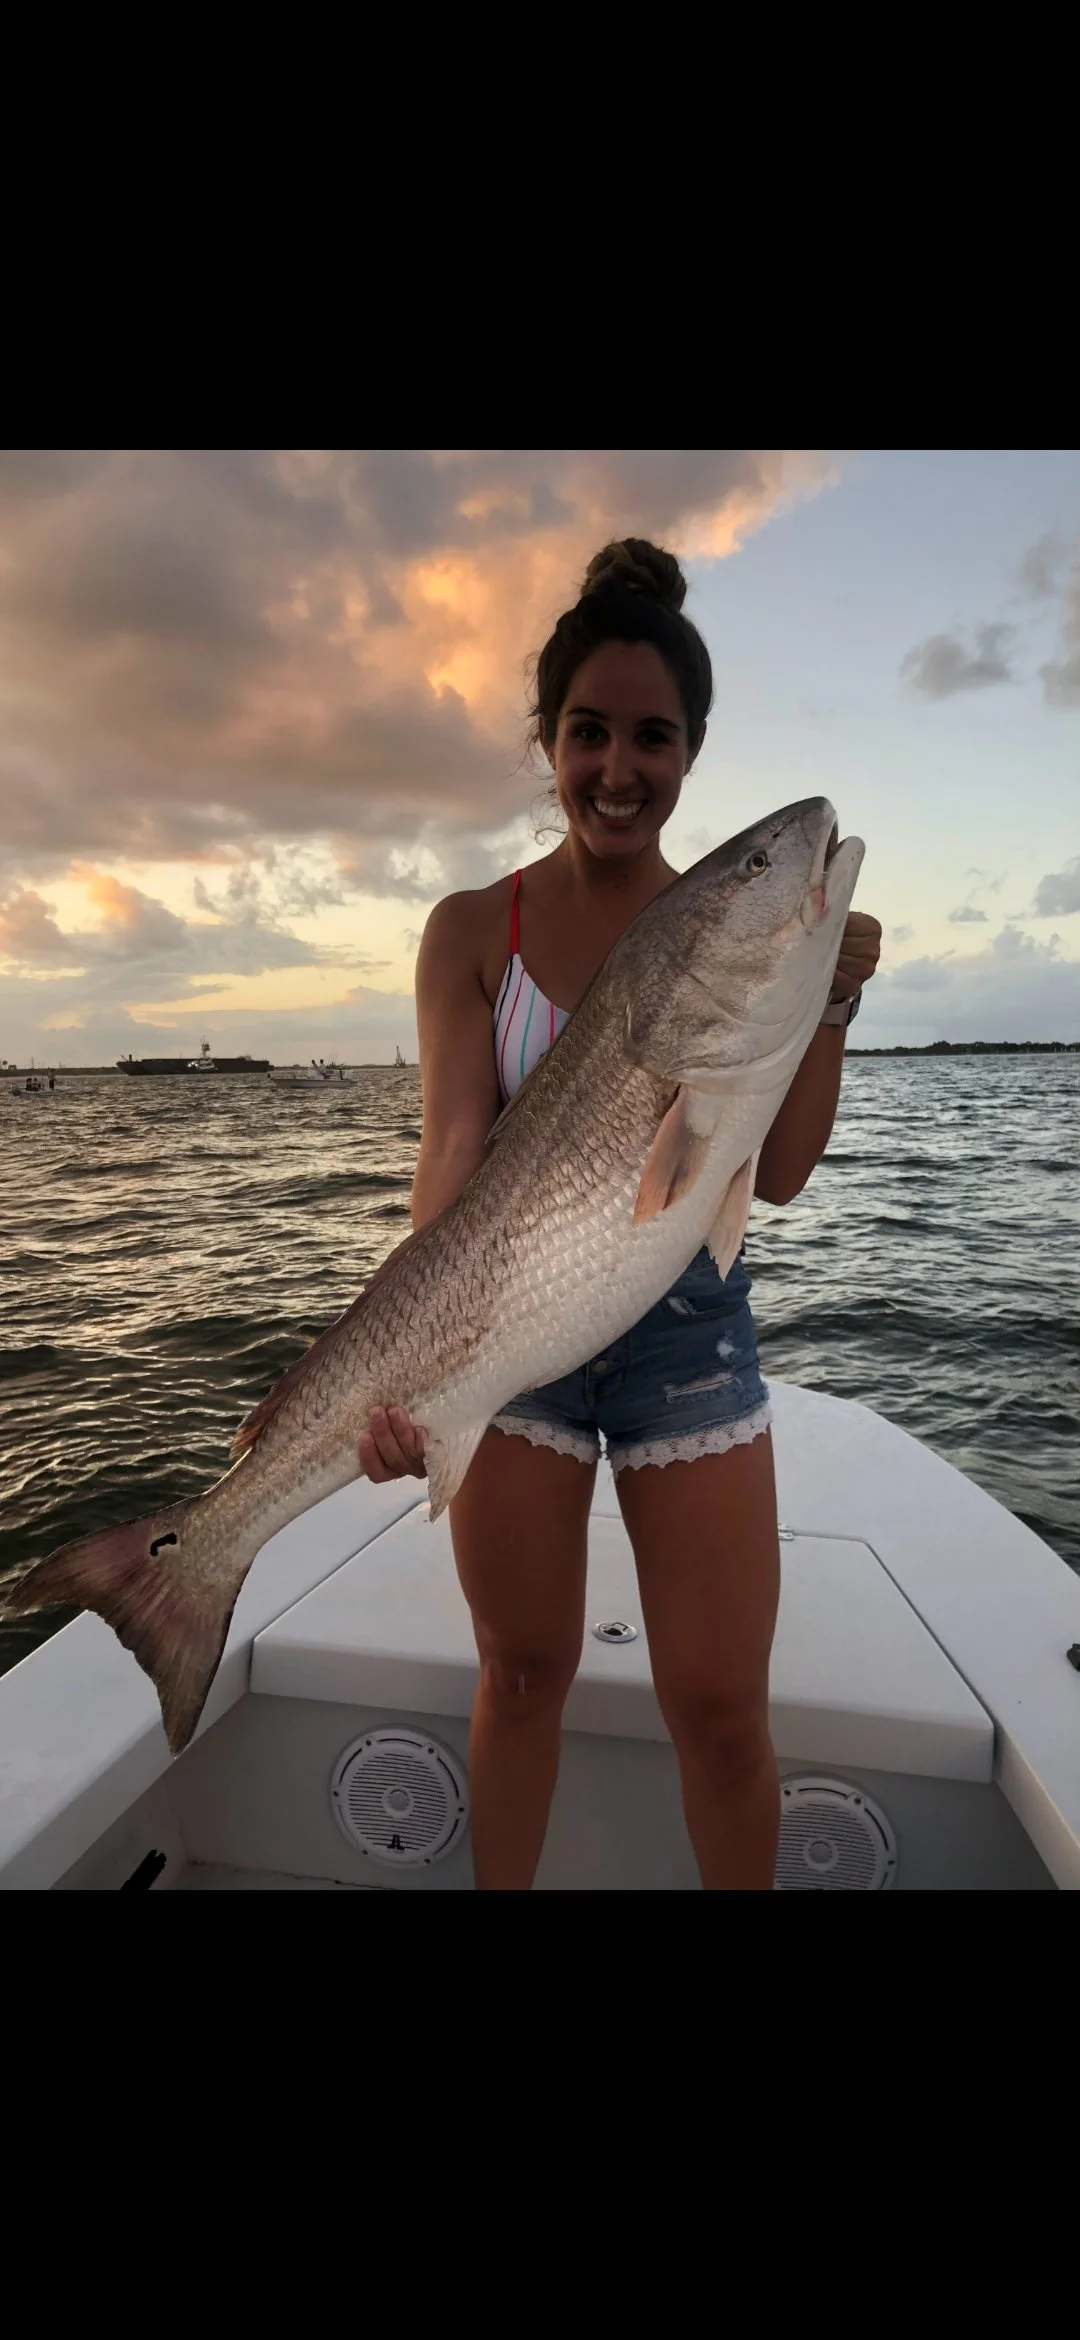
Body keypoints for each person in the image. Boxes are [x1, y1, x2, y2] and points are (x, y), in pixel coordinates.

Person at [358, 539, 881, 1890]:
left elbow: (776, 1174)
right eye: (588, 731)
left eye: (654, 737)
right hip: (505, 1334)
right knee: (522, 1676)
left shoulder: (731, 932)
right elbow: (454, 1156)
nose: (617, 768)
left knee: (719, 1712)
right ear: (547, 737)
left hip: (686, 1343)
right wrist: (406, 1367)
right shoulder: (472, 928)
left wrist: (828, 996)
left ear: (691, 751)